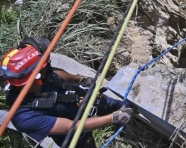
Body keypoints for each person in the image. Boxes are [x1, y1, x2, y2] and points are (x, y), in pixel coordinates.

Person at [0, 37, 135, 148]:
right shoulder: (24, 117)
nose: (49, 64)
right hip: (74, 134)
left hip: (82, 99)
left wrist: (80, 79)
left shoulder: (39, 77)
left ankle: (127, 115)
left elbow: (55, 75)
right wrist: (114, 118)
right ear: (37, 76)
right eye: (45, 65)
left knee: (108, 104)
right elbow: (73, 127)